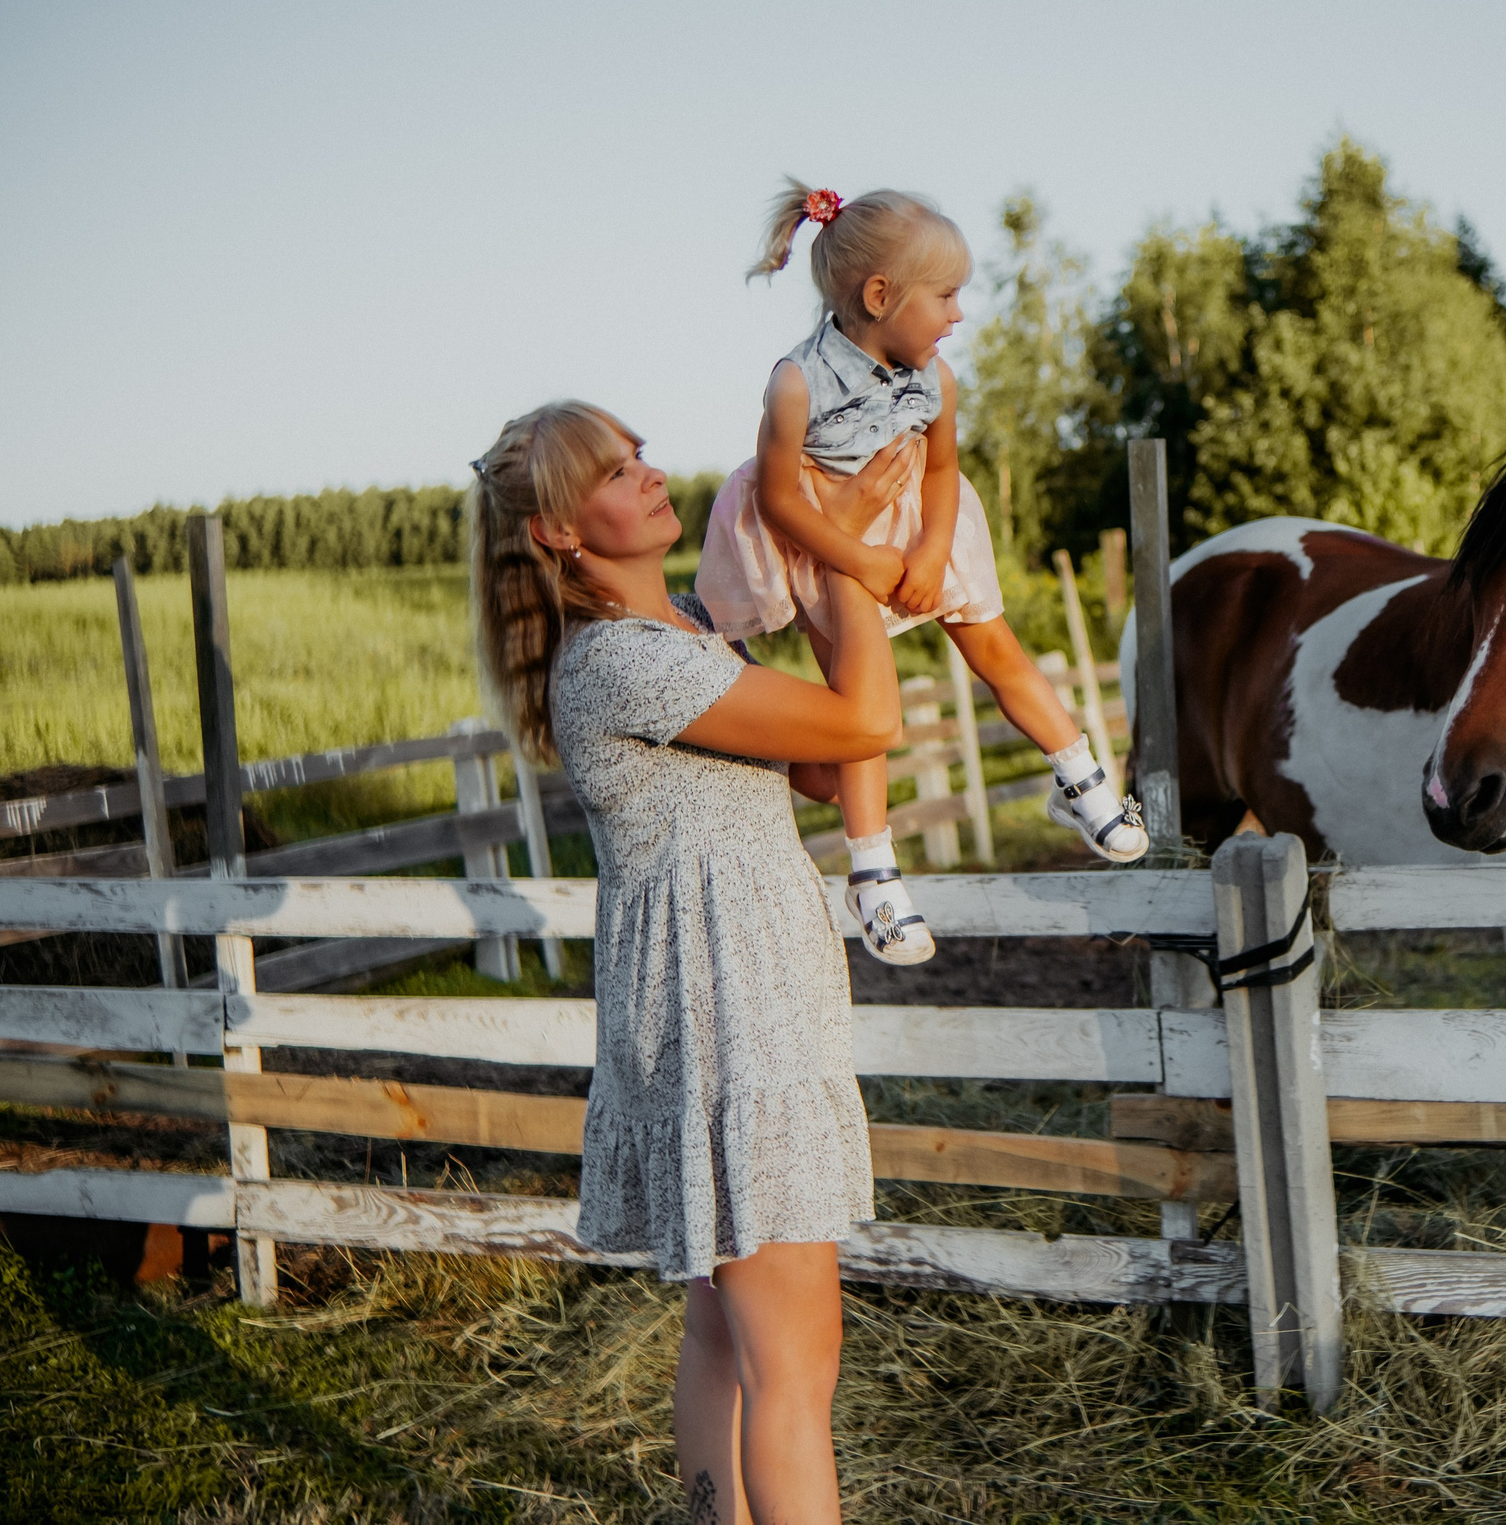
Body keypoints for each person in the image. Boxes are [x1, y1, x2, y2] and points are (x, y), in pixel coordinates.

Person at [470, 400, 915, 1525]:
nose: (652, 475)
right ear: (561, 534)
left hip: (729, 986)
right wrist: (845, 560)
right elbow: (867, 726)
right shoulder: (624, 661)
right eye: (617, 474)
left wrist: (822, 586)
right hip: (730, 1002)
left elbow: (818, 767)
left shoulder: (678, 630)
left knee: (730, 1327)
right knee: (797, 1359)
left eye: (639, 454)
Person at [698, 181, 1147, 968]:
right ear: (880, 295)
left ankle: (1077, 775)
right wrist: (859, 556)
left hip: (912, 518)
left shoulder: (936, 378)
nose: (958, 314)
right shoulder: (795, 383)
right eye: (946, 295)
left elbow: (941, 470)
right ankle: (873, 869)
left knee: (996, 645)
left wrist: (933, 549)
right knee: (858, 706)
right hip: (824, 533)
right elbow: (775, 497)